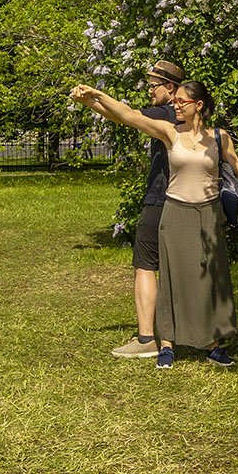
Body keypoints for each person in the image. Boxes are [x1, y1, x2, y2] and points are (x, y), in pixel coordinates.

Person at [71, 79, 238, 368]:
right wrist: (96, 95)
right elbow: (130, 115)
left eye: (182, 101)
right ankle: (167, 345)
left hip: (208, 215)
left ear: (199, 105)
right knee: (172, 277)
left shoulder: (219, 137)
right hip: (175, 212)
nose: (176, 105)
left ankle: (214, 345)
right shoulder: (170, 132)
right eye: (176, 100)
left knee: (211, 276)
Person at [91, 60, 186, 359]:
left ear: (170, 87)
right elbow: (126, 118)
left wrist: (95, 96)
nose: (149, 91)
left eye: (153, 85)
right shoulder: (186, 116)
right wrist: (93, 103)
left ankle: (147, 339)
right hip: (185, 200)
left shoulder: (165, 113)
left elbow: (128, 116)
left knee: (145, 264)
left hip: (160, 199)